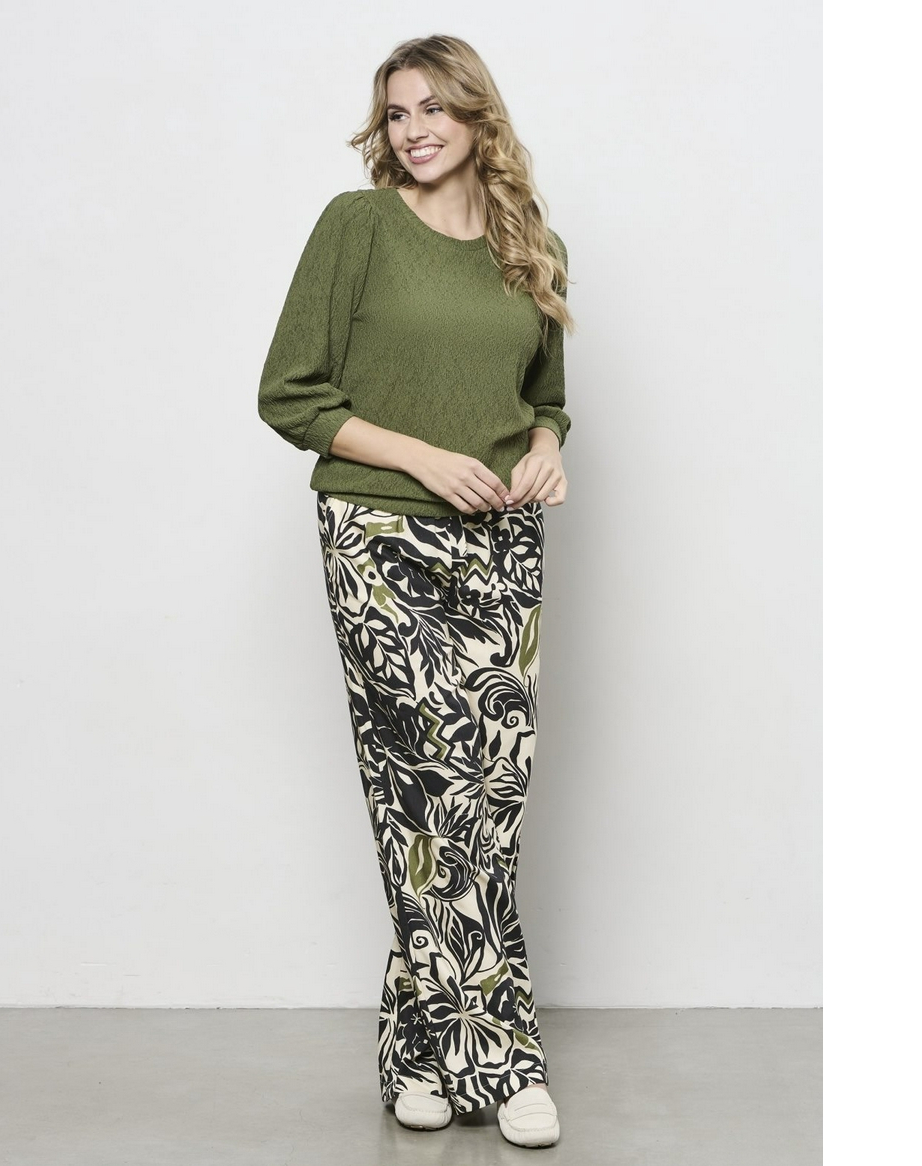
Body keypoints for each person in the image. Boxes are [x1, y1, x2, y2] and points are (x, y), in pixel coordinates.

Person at [257, 33, 574, 1149]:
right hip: (380, 533)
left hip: (502, 540)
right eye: (397, 112)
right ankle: (506, 1062)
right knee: (430, 790)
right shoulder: (357, 227)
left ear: (479, 116)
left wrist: (546, 448)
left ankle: (416, 1048)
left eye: (435, 107)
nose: (415, 129)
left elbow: (547, 398)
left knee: (480, 799)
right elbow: (290, 393)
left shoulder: (531, 247)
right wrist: (424, 458)